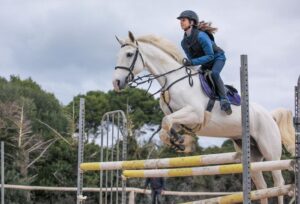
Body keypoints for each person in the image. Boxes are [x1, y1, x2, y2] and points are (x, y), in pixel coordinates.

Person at [177, 10, 232, 115]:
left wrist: (192, 62)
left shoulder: (201, 36)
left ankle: (225, 100)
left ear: (192, 22)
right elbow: (192, 61)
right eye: (180, 20)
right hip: (206, 63)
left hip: (217, 58)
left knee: (214, 74)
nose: (181, 22)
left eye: (183, 20)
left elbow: (210, 56)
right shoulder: (184, 43)